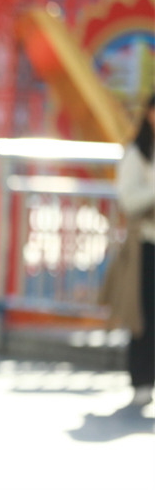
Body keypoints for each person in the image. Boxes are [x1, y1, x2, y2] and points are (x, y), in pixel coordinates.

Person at [101, 93, 155, 407]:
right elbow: (128, 199)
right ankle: (142, 380)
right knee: (143, 317)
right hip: (145, 247)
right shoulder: (138, 152)